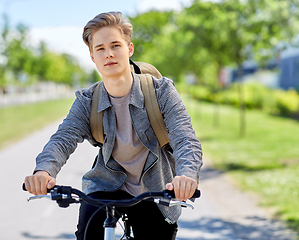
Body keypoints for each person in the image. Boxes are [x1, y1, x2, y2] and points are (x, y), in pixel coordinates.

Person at [24, 11, 203, 240]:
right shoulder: (87, 101)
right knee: (89, 233)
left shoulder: (162, 92)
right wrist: (43, 171)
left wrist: (187, 175)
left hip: (155, 189)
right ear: (92, 57)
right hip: (106, 185)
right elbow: (63, 138)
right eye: (100, 48)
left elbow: (185, 137)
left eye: (115, 45)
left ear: (129, 49)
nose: (108, 54)